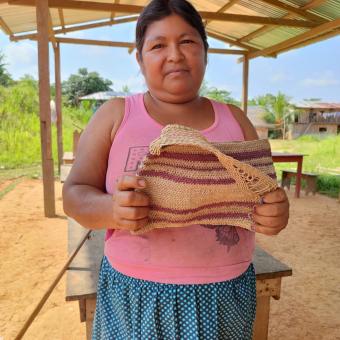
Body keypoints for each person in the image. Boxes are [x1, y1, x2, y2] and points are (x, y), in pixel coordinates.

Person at [62, 1, 289, 339]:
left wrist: (276, 213)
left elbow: (264, 195)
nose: (175, 55)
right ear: (139, 58)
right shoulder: (115, 116)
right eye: (157, 45)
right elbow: (74, 195)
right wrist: (112, 209)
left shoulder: (235, 120)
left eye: (187, 42)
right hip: (136, 294)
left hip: (225, 295)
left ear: (205, 53)